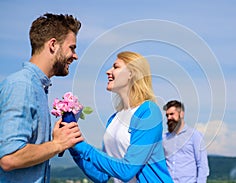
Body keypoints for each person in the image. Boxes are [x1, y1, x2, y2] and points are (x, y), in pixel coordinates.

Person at [0, 13, 84, 182]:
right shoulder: (22, 86)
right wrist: (58, 144)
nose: (75, 56)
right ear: (53, 45)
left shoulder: (38, 87)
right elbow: (10, 157)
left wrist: (55, 140)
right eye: (72, 48)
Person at [69, 51, 173, 183]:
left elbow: (127, 170)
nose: (108, 71)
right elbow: (101, 176)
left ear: (131, 73)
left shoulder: (148, 112)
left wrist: (82, 146)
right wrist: (73, 147)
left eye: (116, 67)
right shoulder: (114, 119)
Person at [162, 100, 209, 183]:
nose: (169, 118)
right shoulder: (164, 139)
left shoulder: (195, 136)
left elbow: (202, 165)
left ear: (181, 114)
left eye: (172, 114)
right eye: (167, 115)